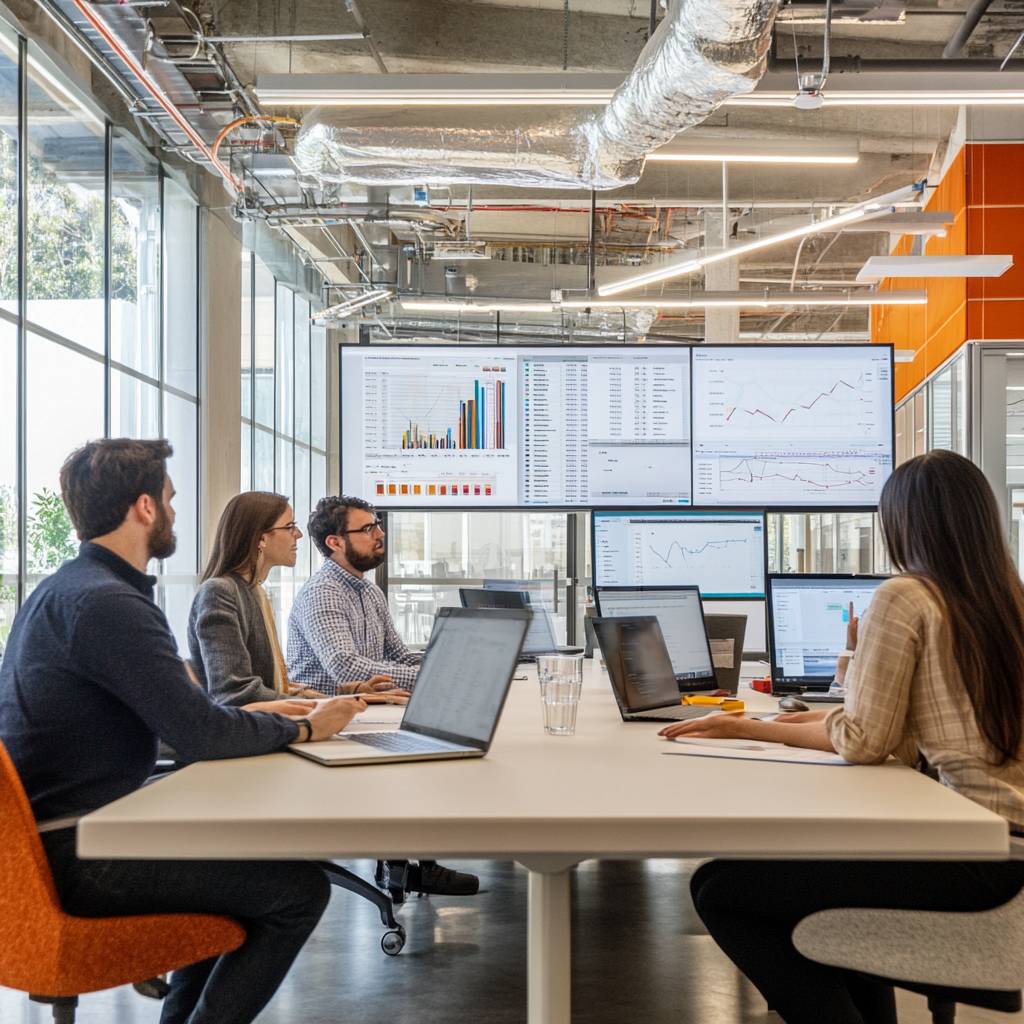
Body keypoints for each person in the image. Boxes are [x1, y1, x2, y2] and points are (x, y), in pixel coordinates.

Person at [0, 439, 368, 1024]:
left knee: (242, 863)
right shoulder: (107, 604)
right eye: (170, 500)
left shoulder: (64, 589)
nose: (175, 513)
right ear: (144, 508)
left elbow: (190, 717)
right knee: (297, 893)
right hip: (79, 853)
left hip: (74, 836)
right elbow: (200, 732)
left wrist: (270, 722)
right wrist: (306, 733)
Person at [660, 450, 1024, 1024]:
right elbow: (904, 741)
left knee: (719, 886)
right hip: (1003, 848)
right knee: (812, 880)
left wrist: (744, 727)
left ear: (904, 524)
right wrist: (801, 716)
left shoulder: (908, 595)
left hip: (977, 853)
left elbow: (863, 739)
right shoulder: (1006, 597)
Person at [287, 494, 479, 898]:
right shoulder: (324, 593)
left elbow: (397, 656)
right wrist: (431, 675)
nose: (380, 534)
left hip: (370, 710)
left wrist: (438, 663)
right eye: (368, 528)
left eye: (377, 525)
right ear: (336, 542)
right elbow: (346, 667)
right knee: (426, 747)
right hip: (331, 721)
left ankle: (419, 859)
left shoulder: (367, 591)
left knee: (439, 738)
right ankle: (408, 862)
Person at [189, 490, 408, 708]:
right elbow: (236, 694)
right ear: (261, 538)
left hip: (267, 728)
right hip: (248, 737)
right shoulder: (219, 592)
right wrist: (324, 706)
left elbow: (270, 686)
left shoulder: (256, 592)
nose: (299, 535)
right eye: (289, 527)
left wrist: (343, 697)